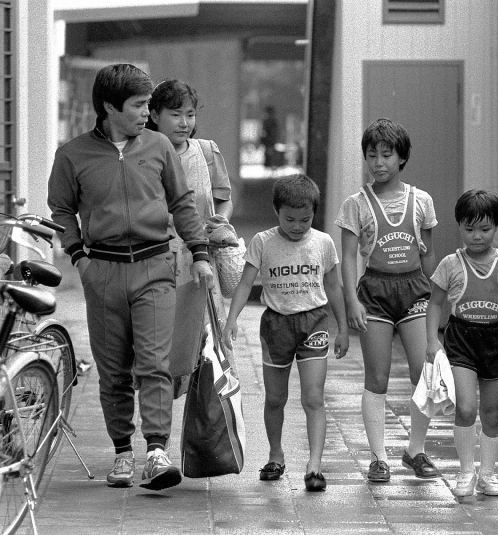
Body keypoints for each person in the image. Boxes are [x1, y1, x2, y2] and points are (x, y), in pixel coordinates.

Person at [47, 63, 214, 492]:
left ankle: (156, 452)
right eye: (139, 105)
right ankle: (123, 451)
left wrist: (199, 253)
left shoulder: (158, 146)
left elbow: (182, 203)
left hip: (155, 267)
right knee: (113, 369)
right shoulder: (72, 155)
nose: (147, 112)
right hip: (100, 270)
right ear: (109, 107)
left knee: (155, 364)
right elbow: (62, 210)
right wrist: (78, 256)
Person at [221, 174, 349, 492]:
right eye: (290, 219)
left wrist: (343, 328)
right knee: (275, 398)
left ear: (313, 215)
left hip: (314, 323)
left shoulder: (323, 243)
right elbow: (246, 283)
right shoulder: (263, 242)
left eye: (305, 219)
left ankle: (314, 466)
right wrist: (230, 320)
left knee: (314, 398)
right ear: (276, 211)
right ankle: (275, 454)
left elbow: (333, 286)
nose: (297, 226)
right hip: (276, 325)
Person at [335, 117, 440, 483]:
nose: (378, 162)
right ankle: (379, 458)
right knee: (376, 377)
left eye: (386, 155)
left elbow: (429, 263)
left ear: (402, 158)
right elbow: (348, 257)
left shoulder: (422, 201)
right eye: (371, 155)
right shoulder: (356, 204)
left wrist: (431, 262)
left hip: (414, 291)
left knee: (422, 373)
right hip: (375, 294)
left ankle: (415, 450)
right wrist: (352, 300)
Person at [425, 189, 498, 497]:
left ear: (496, 227)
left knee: (492, 412)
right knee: (465, 408)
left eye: (484, 229)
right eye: (469, 229)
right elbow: (434, 304)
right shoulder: (450, 263)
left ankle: (487, 474)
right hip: (460, 340)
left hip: (495, 342)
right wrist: (432, 341)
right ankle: (465, 472)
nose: (476, 236)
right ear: (459, 226)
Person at [146, 79, 234, 394]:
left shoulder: (207, 151)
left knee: (209, 349)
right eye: (176, 114)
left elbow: (223, 197)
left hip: (201, 264)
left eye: (191, 114)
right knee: (162, 351)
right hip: (156, 263)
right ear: (154, 114)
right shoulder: (139, 154)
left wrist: (220, 221)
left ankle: (207, 429)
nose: (185, 123)